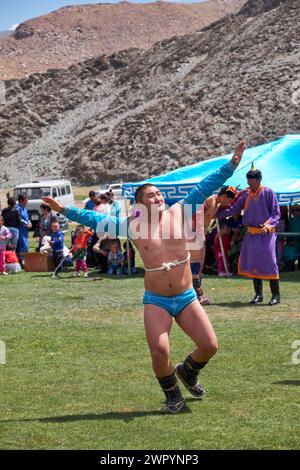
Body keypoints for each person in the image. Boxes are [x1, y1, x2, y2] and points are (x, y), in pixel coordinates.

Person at [42, 140, 245, 413]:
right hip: (157, 300)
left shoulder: (180, 212)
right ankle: (172, 395)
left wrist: (232, 164)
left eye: (159, 194)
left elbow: (206, 186)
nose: (158, 197)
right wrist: (63, 209)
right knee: (159, 351)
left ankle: (188, 371)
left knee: (209, 346)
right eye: (151, 195)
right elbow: (91, 219)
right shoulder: (132, 226)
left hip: (186, 296)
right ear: (139, 204)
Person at [216, 163, 281, 305]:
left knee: (271, 262)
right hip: (251, 234)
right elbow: (234, 209)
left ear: (259, 179)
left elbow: (276, 213)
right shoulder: (245, 194)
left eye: (253, 178)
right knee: (254, 263)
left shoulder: (269, 192)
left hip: (266, 234)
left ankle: (275, 295)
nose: (250, 181)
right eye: (249, 178)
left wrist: (269, 225)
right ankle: (258, 294)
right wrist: (217, 213)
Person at [190, 186, 237, 304]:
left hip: (200, 235)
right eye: (229, 200)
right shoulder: (210, 200)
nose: (229, 202)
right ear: (224, 196)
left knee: (200, 266)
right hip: (194, 233)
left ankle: (196, 295)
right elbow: (196, 214)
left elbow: (230, 209)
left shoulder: (218, 204)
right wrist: (198, 233)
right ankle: (197, 296)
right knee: (195, 265)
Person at [16, 194, 32, 263]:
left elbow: (27, 218)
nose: (27, 202)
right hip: (20, 229)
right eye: (25, 201)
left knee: (24, 245)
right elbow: (19, 219)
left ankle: (22, 260)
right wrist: (26, 224)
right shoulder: (17, 208)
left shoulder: (25, 209)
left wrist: (29, 222)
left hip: (25, 230)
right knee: (23, 245)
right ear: (21, 201)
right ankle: (21, 260)